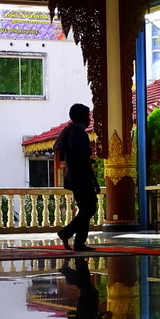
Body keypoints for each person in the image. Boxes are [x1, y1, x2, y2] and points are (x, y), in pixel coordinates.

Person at [55, 103, 101, 251]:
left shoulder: (67, 131)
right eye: (87, 116)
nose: (89, 120)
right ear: (81, 117)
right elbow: (85, 160)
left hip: (73, 176)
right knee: (89, 209)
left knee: (85, 209)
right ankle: (67, 232)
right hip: (81, 177)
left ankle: (79, 243)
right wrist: (95, 181)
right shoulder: (80, 134)